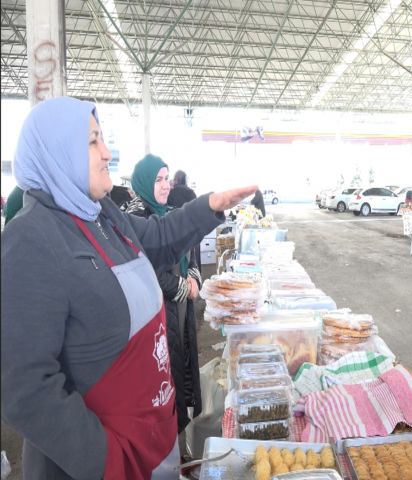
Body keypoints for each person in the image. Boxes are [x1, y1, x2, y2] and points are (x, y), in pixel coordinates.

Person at [0, 96, 256, 479]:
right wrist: (107, 461)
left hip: (150, 442)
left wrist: (210, 207)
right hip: (105, 464)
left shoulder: (101, 213)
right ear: (57, 153)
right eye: (92, 141)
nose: (107, 152)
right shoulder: (32, 239)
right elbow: (24, 386)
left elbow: (157, 237)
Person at [126, 154, 203, 457]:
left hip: (179, 314)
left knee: (180, 375)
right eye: (158, 179)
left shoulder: (168, 212)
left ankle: (178, 450)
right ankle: (163, 456)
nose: (166, 184)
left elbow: (189, 248)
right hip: (153, 318)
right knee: (159, 384)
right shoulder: (134, 217)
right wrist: (185, 287)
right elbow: (144, 268)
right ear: (144, 182)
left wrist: (194, 276)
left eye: (167, 178)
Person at [167, 169, 201, 270]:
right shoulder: (190, 193)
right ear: (185, 179)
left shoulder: (169, 193)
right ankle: (193, 282)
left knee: (175, 264)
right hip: (190, 231)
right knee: (192, 261)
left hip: (173, 233)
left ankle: (179, 282)